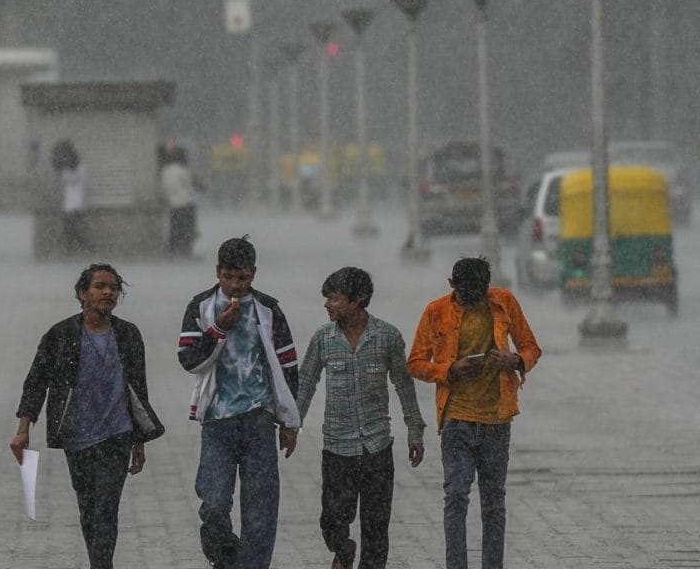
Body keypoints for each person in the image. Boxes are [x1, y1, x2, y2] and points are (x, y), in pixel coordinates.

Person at [11, 264, 164, 569]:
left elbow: (138, 391)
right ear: (82, 294)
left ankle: (101, 565)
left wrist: (139, 440)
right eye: (100, 286)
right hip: (77, 438)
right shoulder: (60, 335)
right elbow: (36, 382)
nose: (107, 292)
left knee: (106, 508)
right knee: (88, 508)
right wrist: (23, 428)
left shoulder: (128, 335)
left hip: (116, 436)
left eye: (113, 288)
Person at [407, 256, 541, 569]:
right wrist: (448, 370)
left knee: (494, 503)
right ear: (452, 286)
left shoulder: (504, 303)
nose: (472, 302)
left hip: (497, 419)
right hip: (456, 420)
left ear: (488, 288)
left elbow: (531, 347)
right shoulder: (435, 312)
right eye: (466, 297)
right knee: (455, 496)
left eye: (479, 296)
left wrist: (515, 361)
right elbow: (414, 363)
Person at [177, 235, 300, 569]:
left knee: (260, 510)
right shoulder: (200, 307)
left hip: (259, 420)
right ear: (218, 272)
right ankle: (226, 557)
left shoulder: (268, 310)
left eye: (242, 278)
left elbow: (288, 366)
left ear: (253, 274)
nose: (235, 285)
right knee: (214, 503)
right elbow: (188, 360)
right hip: (216, 421)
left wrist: (290, 422)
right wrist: (218, 328)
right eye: (229, 277)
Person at [296, 266, 426, 569]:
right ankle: (343, 548)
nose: (327, 305)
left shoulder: (387, 337)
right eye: (327, 298)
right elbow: (306, 382)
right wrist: (293, 424)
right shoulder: (323, 339)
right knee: (331, 519)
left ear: (357, 301)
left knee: (377, 527)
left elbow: (404, 385)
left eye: (335, 299)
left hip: (376, 447)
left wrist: (415, 431)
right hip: (337, 448)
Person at [161, 147, 202, 258]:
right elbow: (191, 187)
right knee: (187, 230)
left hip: (173, 206)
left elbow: (164, 189)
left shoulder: (165, 171)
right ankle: (187, 252)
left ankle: (173, 251)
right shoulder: (183, 171)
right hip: (185, 204)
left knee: (175, 230)